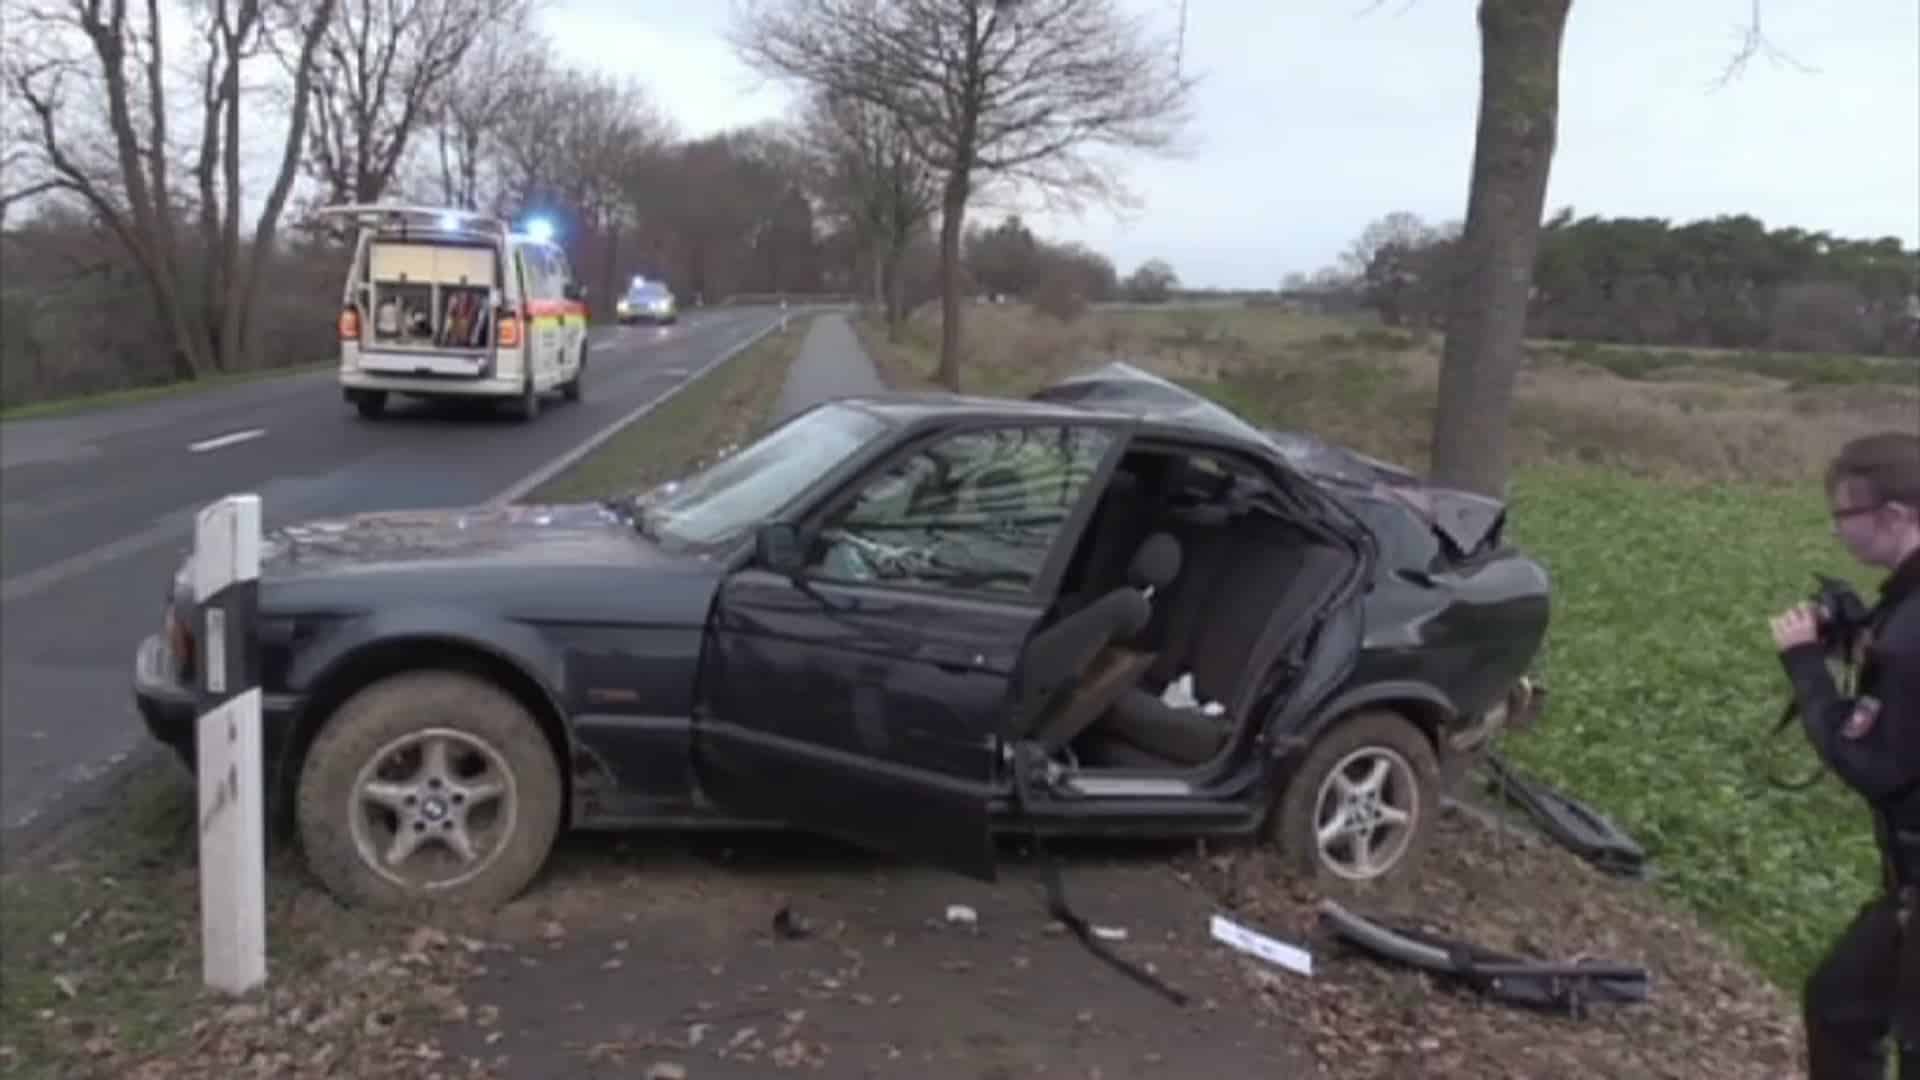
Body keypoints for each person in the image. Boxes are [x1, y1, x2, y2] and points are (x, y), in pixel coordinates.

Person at [1769, 430, 1920, 1080]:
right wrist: (1860, 633)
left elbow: (1874, 765)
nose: (1837, 533)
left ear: (1894, 515)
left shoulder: (1911, 637)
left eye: (1844, 516)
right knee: (1839, 1004)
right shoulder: (1904, 607)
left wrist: (1807, 669)